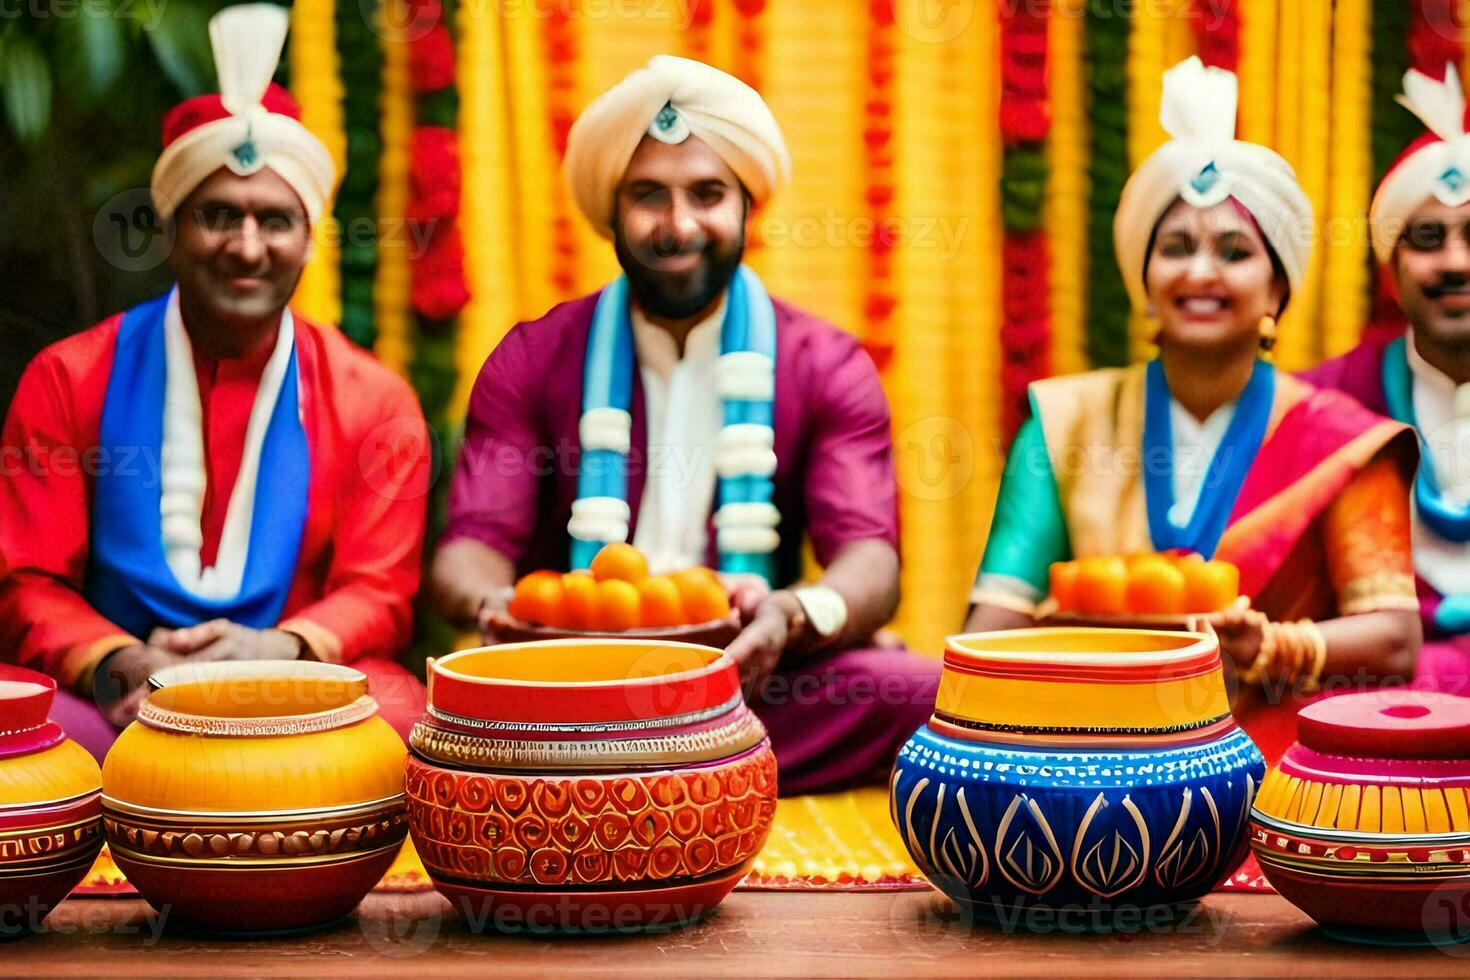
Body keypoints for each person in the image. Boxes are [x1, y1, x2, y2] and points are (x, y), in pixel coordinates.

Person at [431, 55, 938, 795]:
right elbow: (467, 550)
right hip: (571, 687)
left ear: (745, 207)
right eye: (648, 197)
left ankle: (637, 776)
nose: (678, 225)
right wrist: (501, 605)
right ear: (611, 209)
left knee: (920, 693)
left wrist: (796, 615)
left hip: (751, 685)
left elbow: (871, 561)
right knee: (443, 705)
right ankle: (696, 777)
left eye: (707, 194)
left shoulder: (824, 364)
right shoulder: (533, 358)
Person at [0, 4, 429, 757]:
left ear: (308, 241)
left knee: (399, 711)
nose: (247, 246)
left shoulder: (374, 400)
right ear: (172, 229)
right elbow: (28, 581)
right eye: (218, 215)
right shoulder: (69, 377)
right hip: (116, 699)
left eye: (275, 220)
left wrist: (279, 655)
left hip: (297, 695)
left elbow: (380, 590)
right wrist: (126, 664)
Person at [964, 57, 1421, 760]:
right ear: (1145, 285)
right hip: (1088, 743)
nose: (1200, 271)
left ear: (1276, 291)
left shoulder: (1339, 440)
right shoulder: (1066, 422)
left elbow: (1393, 639)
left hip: (1276, 749)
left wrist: (1268, 645)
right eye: (1175, 247)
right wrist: (1095, 650)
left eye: (1234, 251)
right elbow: (994, 628)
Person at [1303, 64, 1470, 695]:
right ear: (1392, 273)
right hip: (1371, 717)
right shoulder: (1325, 404)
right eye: (1428, 238)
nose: (1457, 261)